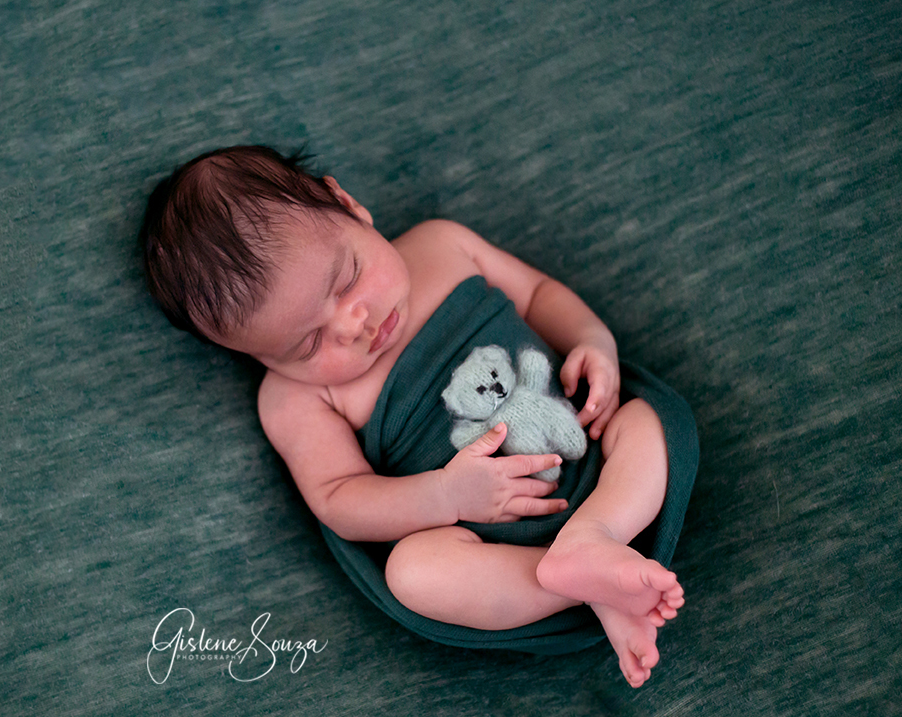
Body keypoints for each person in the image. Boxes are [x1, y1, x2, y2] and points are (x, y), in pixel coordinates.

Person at [141, 145, 690, 688]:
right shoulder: (294, 400)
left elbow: (539, 293)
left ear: (348, 204)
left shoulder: (441, 244)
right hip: (497, 550)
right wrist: (445, 497)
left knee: (643, 422)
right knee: (413, 575)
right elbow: (339, 497)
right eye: (307, 344)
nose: (353, 324)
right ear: (259, 357)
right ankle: (584, 582)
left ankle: (597, 538)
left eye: (347, 277)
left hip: (589, 456)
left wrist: (591, 340)